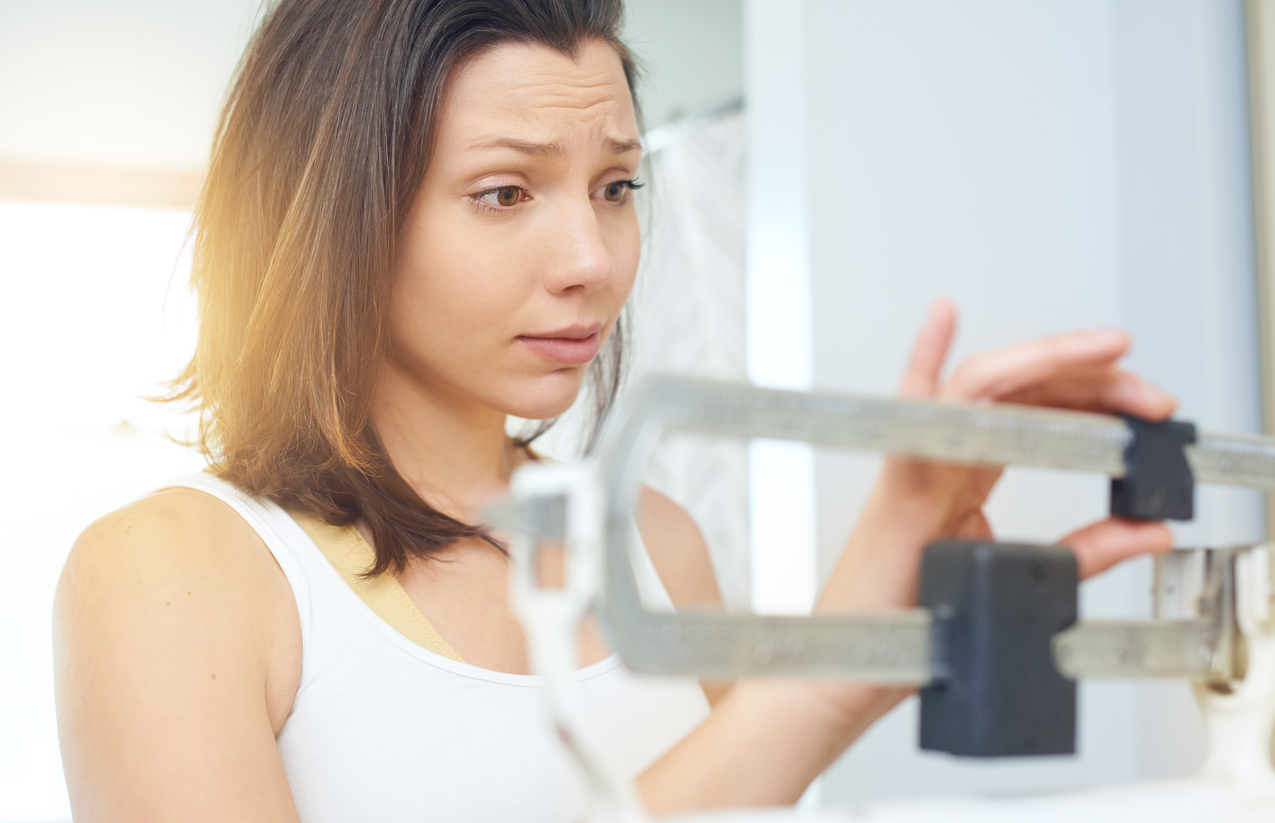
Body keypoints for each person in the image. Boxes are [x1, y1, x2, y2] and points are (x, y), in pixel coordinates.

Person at [52, 0, 1178, 820]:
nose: (592, 259)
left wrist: (872, 642)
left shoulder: (656, 545)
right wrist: (823, 690)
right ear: (341, 215)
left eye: (616, 187)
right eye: (505, 192)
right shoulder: (174, 572)